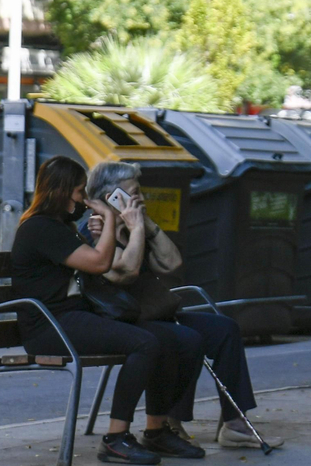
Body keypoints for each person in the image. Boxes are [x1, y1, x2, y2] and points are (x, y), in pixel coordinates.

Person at [11, 156, 206, 465]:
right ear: (62, 192)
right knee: (144, 343)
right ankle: (116, 439)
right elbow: (102, 263)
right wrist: (107, 214)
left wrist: (108, 225)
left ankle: (157, 432)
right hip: (51, 326)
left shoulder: (60, 227)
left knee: (175, 339)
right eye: (79, 192)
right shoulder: (40, 228)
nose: (83, 200)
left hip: (76, 317)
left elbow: (109, 267)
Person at [83, 161, 281, 449]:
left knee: (225, 329)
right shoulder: (96, 228)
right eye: (134, 193)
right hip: (124, 319)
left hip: (154, 311)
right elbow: (127, 273)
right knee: (184, 338)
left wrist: (146, 226)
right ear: (113, 197)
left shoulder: (135, 224)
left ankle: (236, 423)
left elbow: (173, 264)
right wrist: (134, 228)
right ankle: (168, 422)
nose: (141, 199)